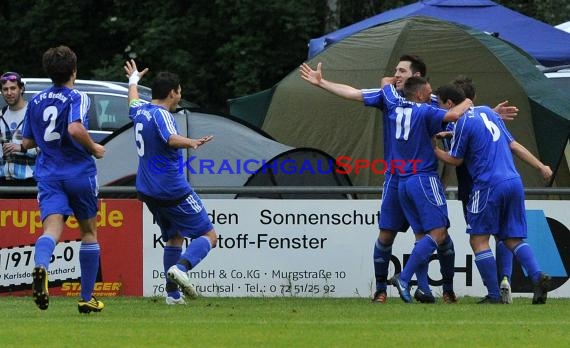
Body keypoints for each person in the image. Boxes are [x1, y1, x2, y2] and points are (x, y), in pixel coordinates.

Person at [300, 55, 458, 304]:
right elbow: (353, 93)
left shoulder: (432, 102)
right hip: (395, 178)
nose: (396, 74)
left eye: (402, 71)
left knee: (434, 235)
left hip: (422, 177)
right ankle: (381, 290)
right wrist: (323, 83)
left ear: (416, 78)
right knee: (387, 235)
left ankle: (441, 289)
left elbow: (452, 135)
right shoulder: (389, 96)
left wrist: (445, 177)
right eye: (395, 70)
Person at [434, 84, 552, 304]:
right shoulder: (487, 111)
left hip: (488, 185)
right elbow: (513, 145)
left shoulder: (462, 122)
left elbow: (456, 159)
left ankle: (494, 295)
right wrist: (540, 166)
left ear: (449, 104)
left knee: (478, 240)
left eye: (441, 106)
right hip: (514, 181)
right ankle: (537, 276)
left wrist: (435, 150)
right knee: (513, 238)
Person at [124, 59, 217, 305]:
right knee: (208, 235)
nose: (180, 96)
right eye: (179, 91)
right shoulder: (162, 114)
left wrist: (133, 80)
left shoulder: (141, 111)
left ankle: (172, 295)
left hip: (147, 190)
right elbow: (170, 138)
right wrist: (192, 142)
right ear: (172, 92)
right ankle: (183, 268)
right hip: (171, 189)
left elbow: (132, 100)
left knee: (174, 237)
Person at [22, 45, 106, 313]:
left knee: (51, 230)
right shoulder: (77, 96)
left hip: (48, 173)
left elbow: (26, 141)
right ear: (73, 70)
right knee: (89, 232)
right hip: (79, 172)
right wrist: (94, 147)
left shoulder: (35, 101)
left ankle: (42, 266)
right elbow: (74, 127)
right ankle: (86, 298)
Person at [379, 76, 472, 303]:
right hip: (423, 178)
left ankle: (424, 289)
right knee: (439, 234)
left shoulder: (393, 103)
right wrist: (469, 101)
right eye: (429, 93)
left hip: (402, 181)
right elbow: (452, 116)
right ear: (420, 94)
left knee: (422, 236)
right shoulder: (425, 111)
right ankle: (405, 278)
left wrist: (387, 80)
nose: (432, 98)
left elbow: (383, 88)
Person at [0, 72, 37, 192]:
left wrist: (22, 147)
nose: (9, 93)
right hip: (4, 183)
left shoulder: (33, 114)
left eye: (13, 88)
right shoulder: (1, 115)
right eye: (5, 89)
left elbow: (46, 146)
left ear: (21, 89)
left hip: (31, 181)